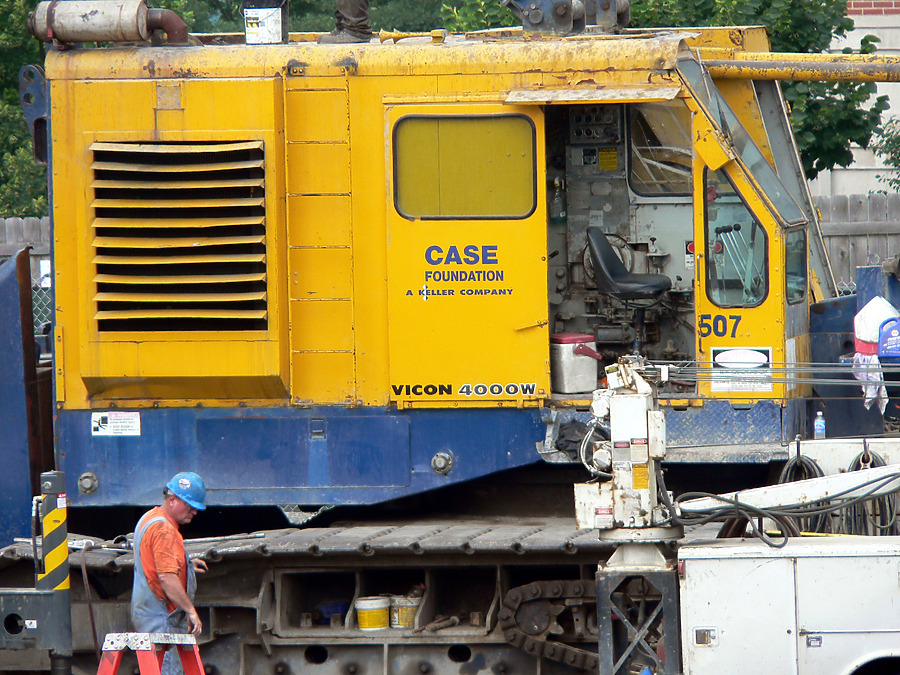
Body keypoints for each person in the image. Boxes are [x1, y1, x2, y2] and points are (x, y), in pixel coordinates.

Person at [131, 472, 208, 674]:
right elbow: (166, 577)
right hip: (162, 619)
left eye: (196, 507)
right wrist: (190, 610)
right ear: (172, 499)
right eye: (190, 505)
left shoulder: (149, 518)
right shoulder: (165, 529)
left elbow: (154, 560)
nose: (194, 512)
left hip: (148, 614)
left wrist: (185, 564)